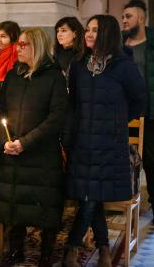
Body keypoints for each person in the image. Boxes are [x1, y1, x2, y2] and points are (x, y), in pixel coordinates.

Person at [63, 15, 146, 267]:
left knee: (90, 196)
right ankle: (104, 249)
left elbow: (140, 102)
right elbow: (73, 104)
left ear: (108, 34)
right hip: (82, 144)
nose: (88, 34)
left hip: (110, 146)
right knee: (91, 195)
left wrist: (116, 121)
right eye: (87, 29)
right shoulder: (78, 65)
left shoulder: (124, 66)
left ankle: (71, 247)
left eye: (95, 30)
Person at [0, 28, 67, 267]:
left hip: (41, 154)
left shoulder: (54, 77)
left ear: (36, 46)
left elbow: (56, 117)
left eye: (24, 44)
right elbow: (0, 112)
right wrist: (4, 141)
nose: (18, 48)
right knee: (14, 203)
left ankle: (47, 253)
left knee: (45, 205)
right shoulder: (13, 75)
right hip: (13, 151)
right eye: (19, 44)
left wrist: (25, 143)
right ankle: (16, 250)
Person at [121, 0, 154, 221]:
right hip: (126, 113)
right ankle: (123, 202)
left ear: (140, 19)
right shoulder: (119, 47)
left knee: (152, 162)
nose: (124, 20)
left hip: (151, 114)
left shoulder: (151, 45)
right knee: (125, 160)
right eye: (123, 17)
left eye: (128, 16)